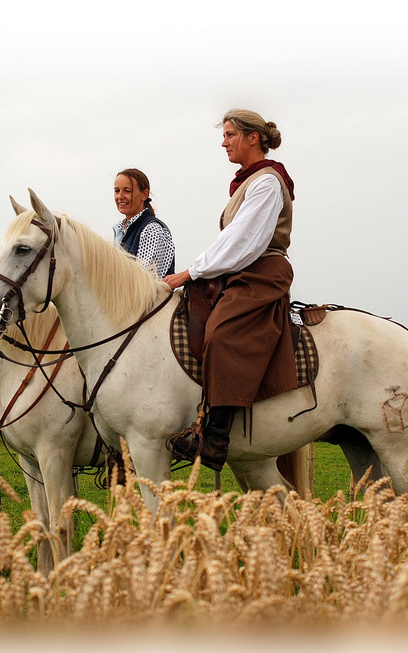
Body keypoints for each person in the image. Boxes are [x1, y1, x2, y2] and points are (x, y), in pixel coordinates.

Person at [162, 109, 297, 471]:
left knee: (222, 331)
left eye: (229, 135)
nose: (223, 143)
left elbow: (242, 242)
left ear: (253, 138)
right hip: (242, 268)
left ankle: (216, 435)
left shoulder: (267, 182)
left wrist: (190, 272)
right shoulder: (248, 183)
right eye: (223, 136)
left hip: (262, 270)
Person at [112, 168, 175, 278]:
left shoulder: (152, 230)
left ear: (144, 194)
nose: (120, 196)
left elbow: (145, 280)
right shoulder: (120, 230)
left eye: (127, 191)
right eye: (117, 191)